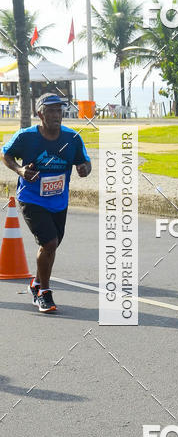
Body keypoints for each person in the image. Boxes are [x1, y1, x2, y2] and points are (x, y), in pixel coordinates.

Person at [2, 93, 92, 312]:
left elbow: (84, 163)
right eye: (50, 111)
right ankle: (44, 293)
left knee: (51, 246)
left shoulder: (72, 138)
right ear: (39, 113)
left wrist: (84, 170)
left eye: (59, 111)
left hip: (58, 201)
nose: (56, 115)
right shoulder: (26, 137)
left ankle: (36, 282)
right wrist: (20, 170)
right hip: (31, 198)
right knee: (50, 243)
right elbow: (6, 154)